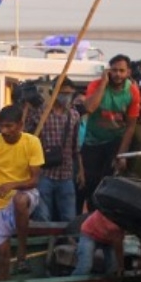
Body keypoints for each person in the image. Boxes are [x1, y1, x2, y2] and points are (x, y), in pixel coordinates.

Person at [0, 105, 44, 280]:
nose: (4, 130)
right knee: (1, 254)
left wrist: (11, 186)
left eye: (9, 126)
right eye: (1, 126)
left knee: (20, 200)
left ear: (20, 125)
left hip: (26, 194)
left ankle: (22, 254)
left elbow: (34, 180)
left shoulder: (32, 142)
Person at [79, 54, 140, 212]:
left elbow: (131, 126)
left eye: (122, 70)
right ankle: (90, 217)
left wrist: (122, 154)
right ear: (108, 71)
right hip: (93, 141)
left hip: (116, 141)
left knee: (108, 182)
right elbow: (89, 108)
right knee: (90, 183)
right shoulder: (96, 85)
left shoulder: (132, 91)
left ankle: (105, 216)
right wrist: (103, 83)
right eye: (114, 70)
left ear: (128, 72)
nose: (118, 74)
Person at [24, 79, 81, 222]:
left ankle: (67, 243)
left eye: (69, 94)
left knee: (69, 216)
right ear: (54, 93)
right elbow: (27, 136)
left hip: (66, 173)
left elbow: (76, 147)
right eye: (63, 93)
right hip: (44, 172)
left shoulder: (74, 115)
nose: (66, 97)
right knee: (43, 216)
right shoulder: (40, 113)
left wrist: (80, 169)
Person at [72, 209, 125, 276]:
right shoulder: (115, 221)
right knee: (85, 267)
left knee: (113, 269)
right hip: (90, 233)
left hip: (109, 238)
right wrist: (121, 266)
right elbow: (118, 245)